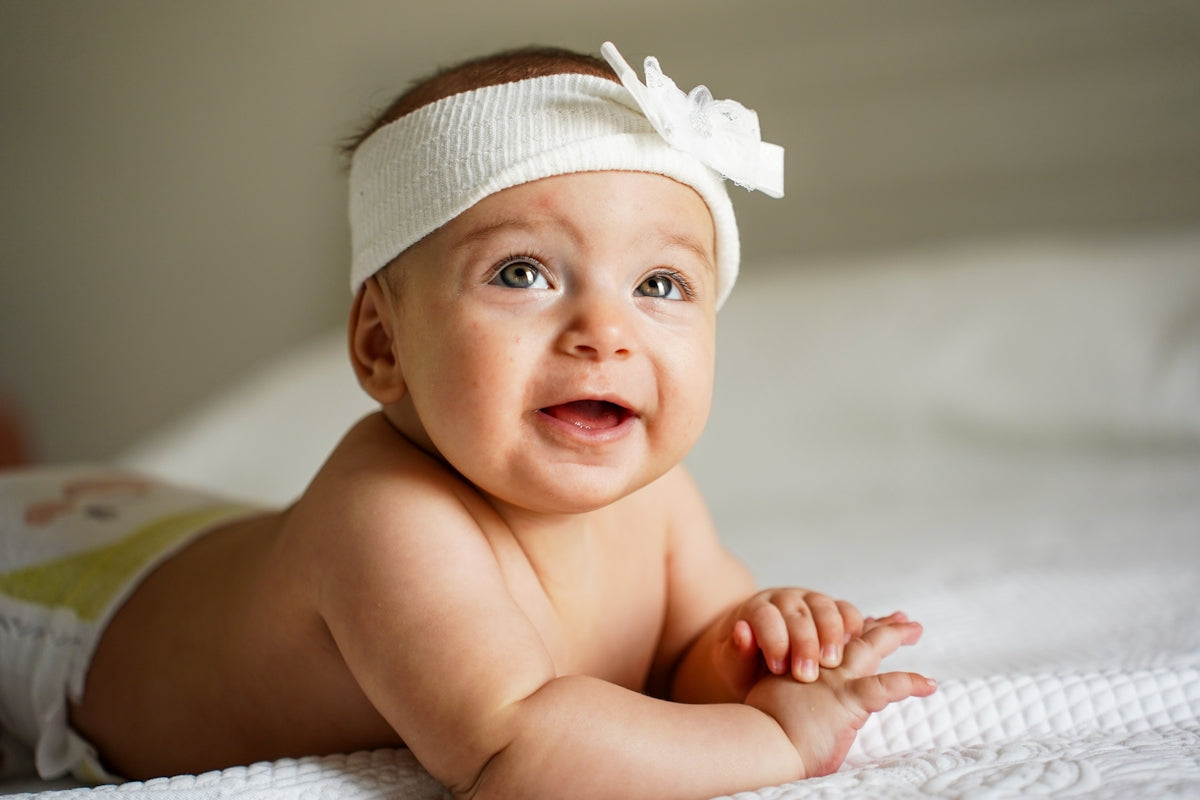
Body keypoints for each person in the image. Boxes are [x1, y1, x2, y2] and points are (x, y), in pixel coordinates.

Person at [0, 41, 935, 798]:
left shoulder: (660, 501)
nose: (604, 332)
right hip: (62, 613)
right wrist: (771, 737)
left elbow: (685, 657)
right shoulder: (385, 518)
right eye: (522, 274)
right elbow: (517, 752)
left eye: (660, 284)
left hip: (186, 534)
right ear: (383, 346)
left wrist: (758, 646)